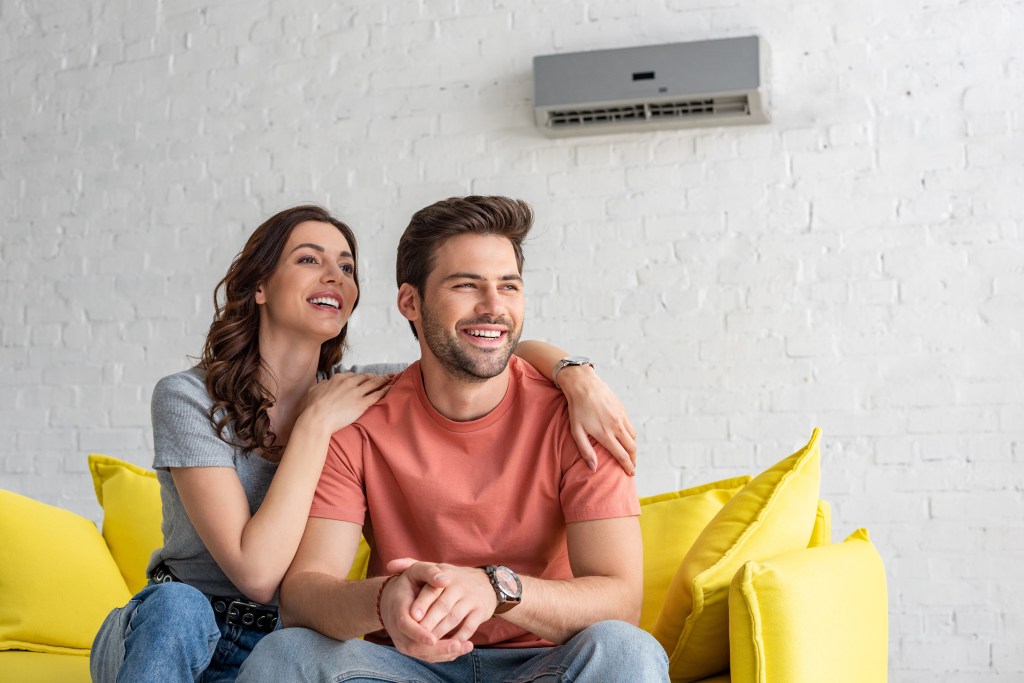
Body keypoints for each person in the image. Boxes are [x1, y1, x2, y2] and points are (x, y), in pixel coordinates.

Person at [89, 204, 639, 683]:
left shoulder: (358, 392)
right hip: (187, 619)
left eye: (347, 267)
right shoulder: (204, 399)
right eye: (309, 259)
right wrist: (313, 428)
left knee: (626, 650)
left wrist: (574, 373)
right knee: (192, 617)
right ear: (258, 286)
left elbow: (477, 355)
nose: (334, 276)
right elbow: (262, 577)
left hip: (277, 635)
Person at [236, 197, 668, 682]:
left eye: (509, 286)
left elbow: (622, 600)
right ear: (410, 302)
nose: (494, 307)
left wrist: (497, 589)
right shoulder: (356, 420)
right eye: (467, 285)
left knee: (627, 650)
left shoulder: (581, 415)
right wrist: (384, 600)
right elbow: (303, 595)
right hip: (404, 667)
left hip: (544, 665)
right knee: (284, 655)